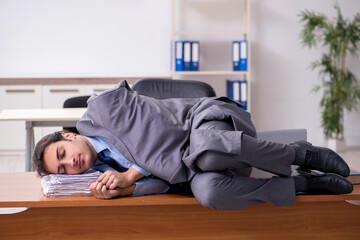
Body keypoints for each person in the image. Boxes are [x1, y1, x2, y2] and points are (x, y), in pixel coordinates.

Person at [33, 80, 353, 210]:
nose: (69, 165)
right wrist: (127, 190)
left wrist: (130, 176)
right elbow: (163, 183)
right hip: (193, 167)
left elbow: (161, 134)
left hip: (205, 123)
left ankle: (300, 153)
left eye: (62, 154)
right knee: (211, 192)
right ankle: (302, 185)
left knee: (210, 152)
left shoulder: (103, 106)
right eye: (61, 169)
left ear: (70, 135)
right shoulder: (100, 173)